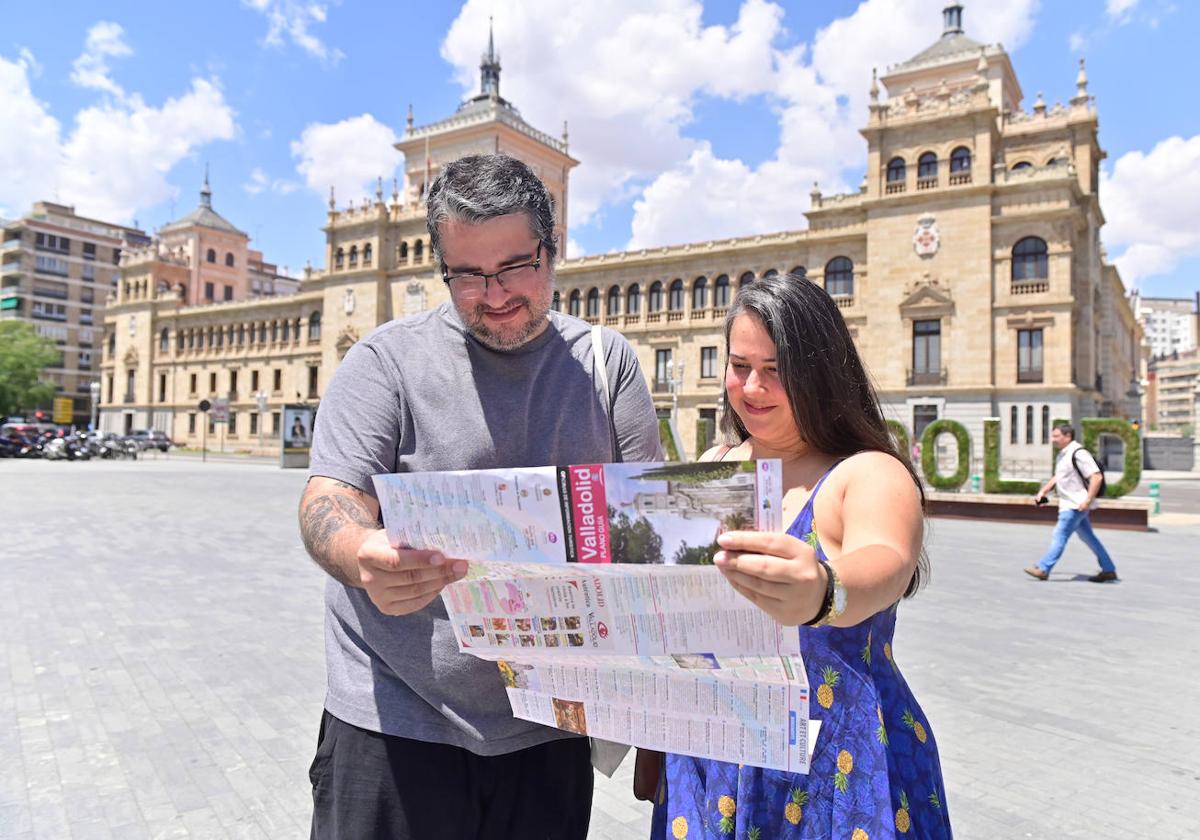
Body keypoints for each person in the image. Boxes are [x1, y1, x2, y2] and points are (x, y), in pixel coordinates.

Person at [298, 153, 661, 839]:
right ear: (441, 268)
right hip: (394, 723)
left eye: (516, 267)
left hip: (549, 727)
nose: (494, 295)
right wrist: (361, 550)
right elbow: (328, 498)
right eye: (468, 275)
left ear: (552, 254)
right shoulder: (384, 363)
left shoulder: (605, 366)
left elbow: (651, 534)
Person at [651, 274, 952, 840]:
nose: (753, 388)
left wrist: (823, 591)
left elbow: (885, 560)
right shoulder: (718, 463)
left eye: (776, 370)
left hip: (835, 756)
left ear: (820, 373)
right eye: (740, 366)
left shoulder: (866, 472)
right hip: (716, 749)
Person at [1024, 424, 1118, 582]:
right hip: (1071, 503)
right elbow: (1059, 476)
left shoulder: (1079, 454)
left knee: (1059, 535)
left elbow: (1096, 476)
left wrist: (1087, 500)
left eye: (1056, 436)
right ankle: (1109, 569)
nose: (1052, 439)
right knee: (1089, 537)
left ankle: (1043, 568)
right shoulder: (1063, 454)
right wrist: (1044, 491)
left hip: (1076, 505)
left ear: (1067, 436)